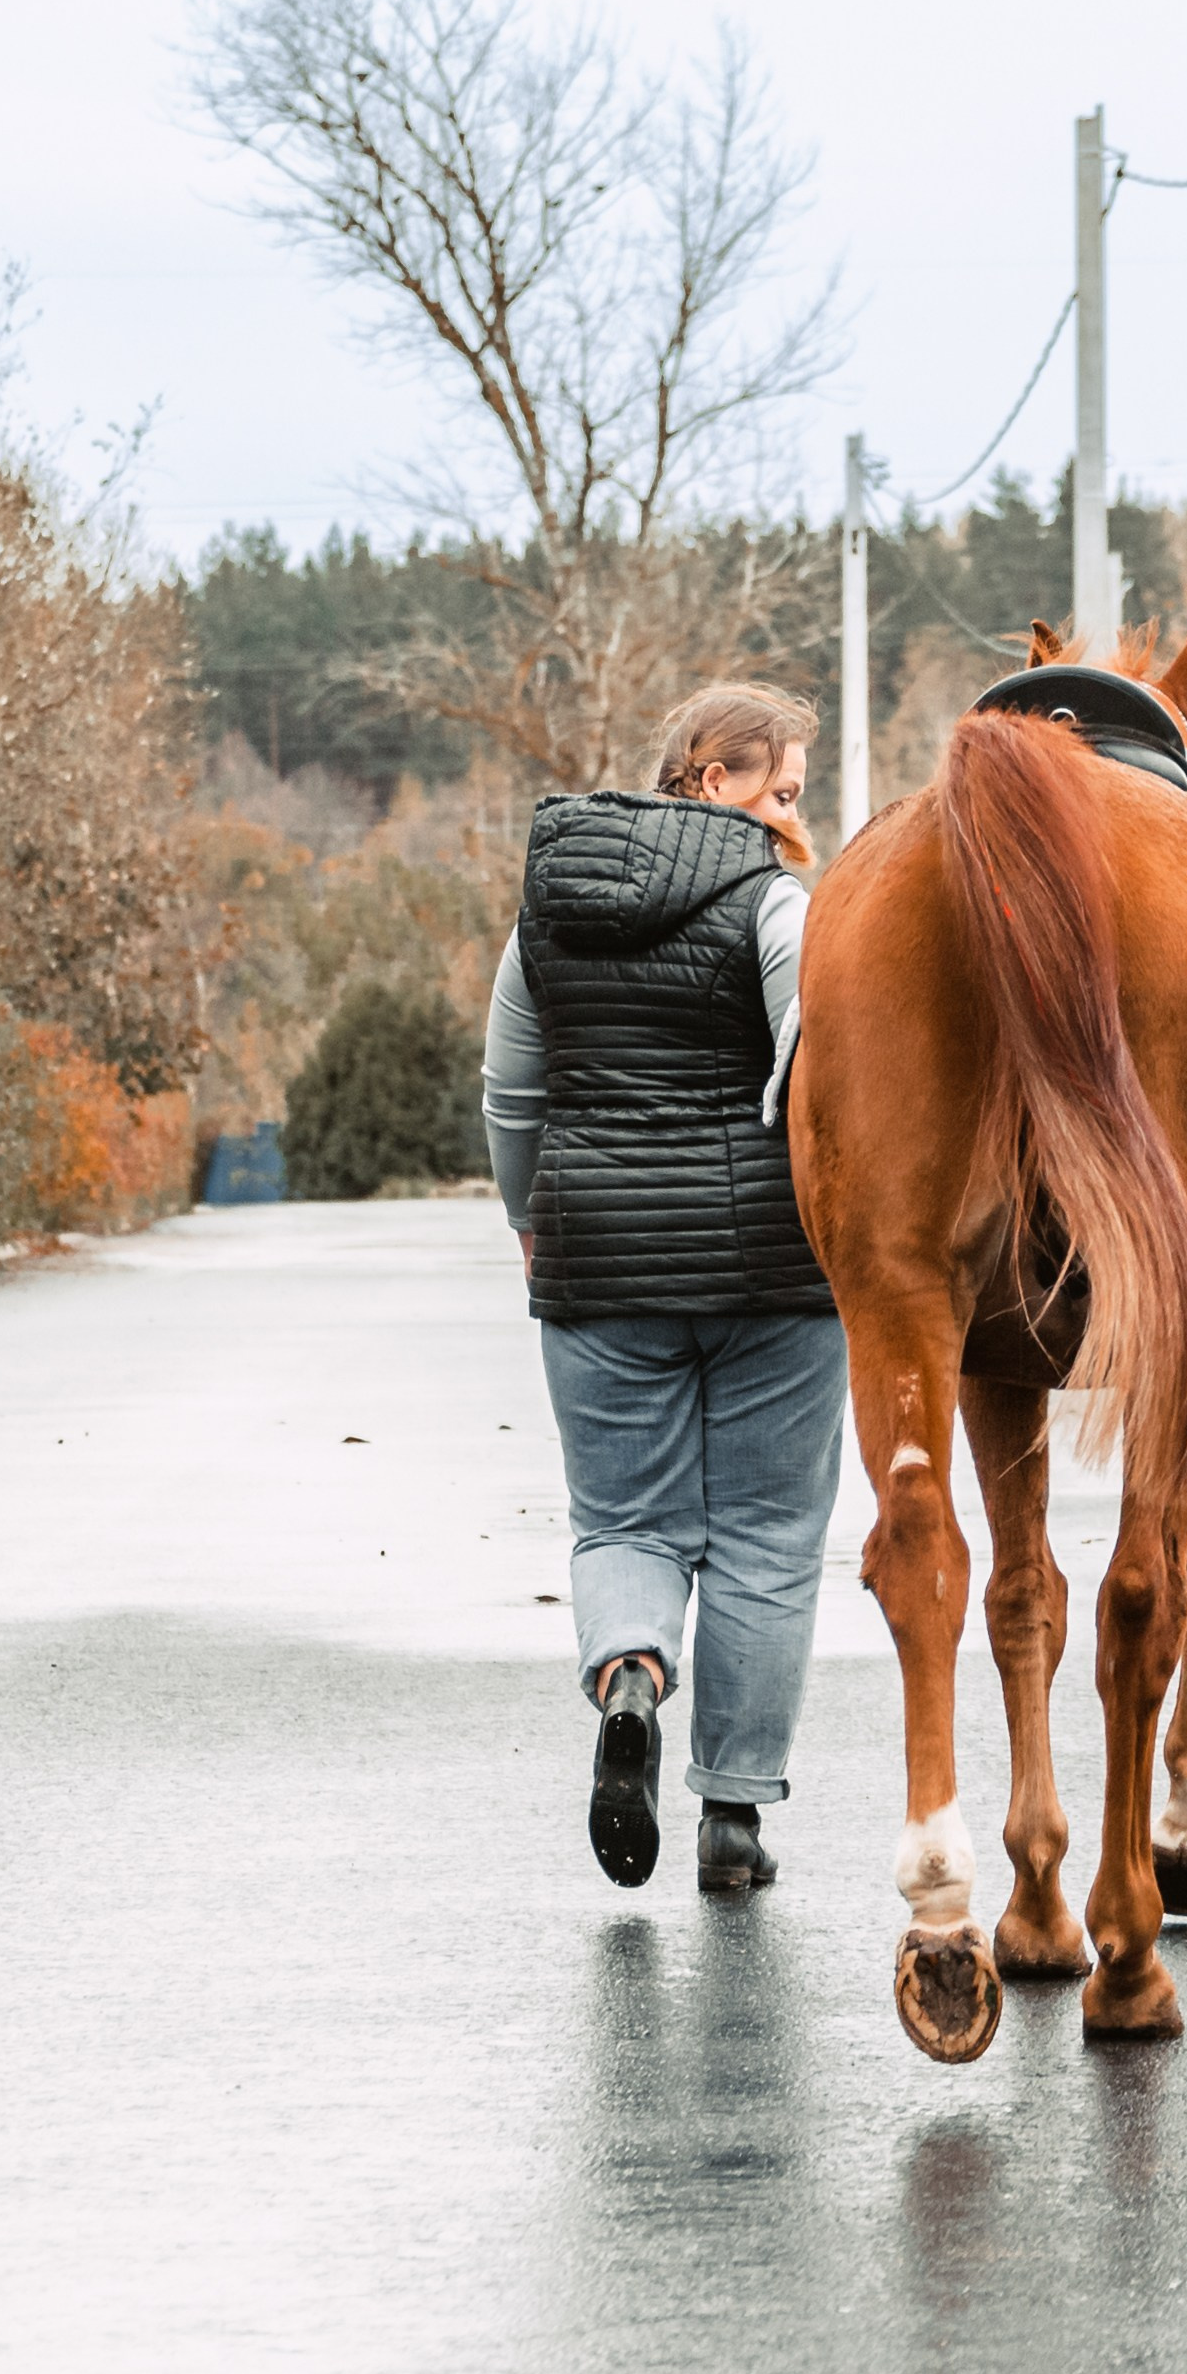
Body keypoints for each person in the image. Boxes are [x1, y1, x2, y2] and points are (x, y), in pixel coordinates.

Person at [480, 683, 846, 1894]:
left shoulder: (547, 912)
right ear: (707, 777)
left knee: (624, 1520)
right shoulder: (776, 903)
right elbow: (815, 1071)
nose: (796, 816)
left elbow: (510, 1096)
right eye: (782, 790)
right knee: (765, 1538)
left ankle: (630, 1674)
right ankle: (732, 1815)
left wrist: (532, 1218)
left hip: (596, 1259)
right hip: (774, 1273)